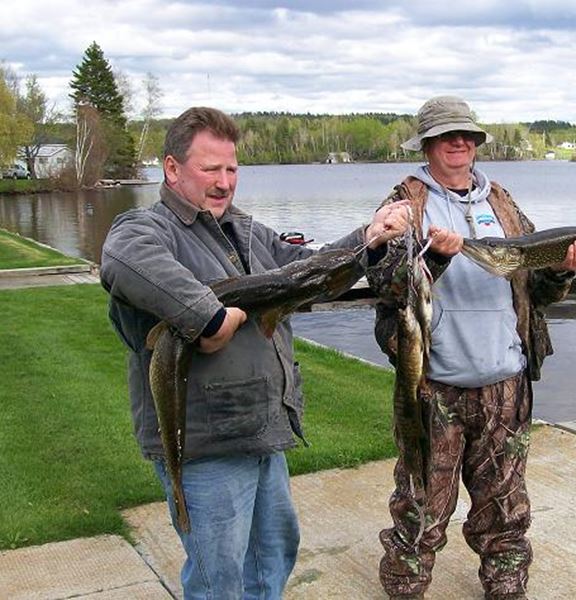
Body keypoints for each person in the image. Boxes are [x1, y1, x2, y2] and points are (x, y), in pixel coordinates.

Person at [100, 106, 410, 600]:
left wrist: (369, 240)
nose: (225, 182)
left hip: (261, 428)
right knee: (217, 579)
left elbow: (310, 272)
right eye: (210, 169)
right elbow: (122, 259)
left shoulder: (245, 230)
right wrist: (207, 314)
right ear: (172, 168)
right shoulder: (144, 228)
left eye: (232, 169)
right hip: (204, 445)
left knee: (273, 558)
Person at [367, 96, 576, 600]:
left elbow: (536, 290)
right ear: (426, 144)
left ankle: (507, 590)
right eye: (448, 135)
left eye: (467, 135)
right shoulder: (405, 206)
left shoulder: (504, 206)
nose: (460, 143)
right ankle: (406, 591)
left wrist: (563, 269)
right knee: (420, 513)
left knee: (506, 512)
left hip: (505, 386)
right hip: (435, 388)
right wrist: (438, 262)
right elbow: (385, 284)